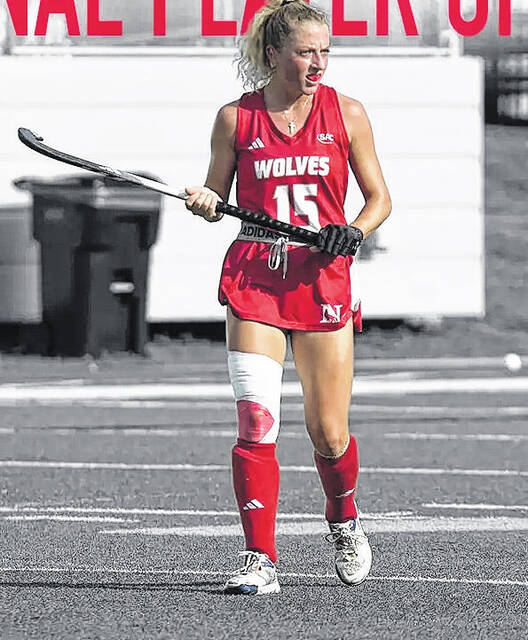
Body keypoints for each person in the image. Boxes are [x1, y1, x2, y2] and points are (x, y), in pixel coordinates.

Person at [185, 0, 391, 595]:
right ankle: (260, 559)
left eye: (325, 51)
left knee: (329, 433)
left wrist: (354, 231)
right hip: (256, 277)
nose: (318, 63)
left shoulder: (347, 113)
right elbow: (217, 195)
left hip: (321, 278)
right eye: (306, 52)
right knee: (256, 419)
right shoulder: (236, 119)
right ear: (274, 53)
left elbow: (379, 199)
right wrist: (206, 201)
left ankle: (344, 519)